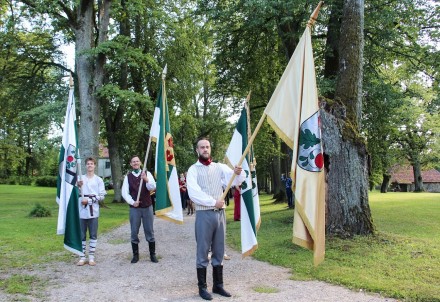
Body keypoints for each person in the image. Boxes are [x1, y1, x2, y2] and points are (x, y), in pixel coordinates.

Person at [187, 137, 245, 300]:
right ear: (197, 150)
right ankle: (202, 287)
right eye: (202, 147)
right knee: (203, 250)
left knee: (219, 249)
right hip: (204, 214)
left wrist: (238, 173)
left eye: (207, 146)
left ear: (210, 149)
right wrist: (213, 202)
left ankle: (218, 285)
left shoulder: (219, 167)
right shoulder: (193, 170)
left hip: (220, 215)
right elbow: (193, 193)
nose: (205, 149)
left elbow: (236, 180)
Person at [121, 155, 158, 264]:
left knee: (149, 230)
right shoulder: (128, 177)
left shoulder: (147, 174)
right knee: (134, 231)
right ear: (131, 164)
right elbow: (125, 193)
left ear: (140, 162)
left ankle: (152, 254)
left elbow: (152, 187)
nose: (135, 163)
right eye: (133, 162)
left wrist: (146, 180)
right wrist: (133, 202)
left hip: (147, 207)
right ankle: (135, 255)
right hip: (135, 208)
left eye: (137, 161)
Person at [77, 157, 107, 266]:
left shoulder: (98, 180)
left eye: (91, 164)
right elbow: (73, 193)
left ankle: (91, 257)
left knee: (93, 234)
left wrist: (89, 200)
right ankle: (82, 256)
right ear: (85, 166)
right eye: (88, 164)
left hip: (93, 210)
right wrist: (77, 186)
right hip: (81, 210)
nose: (90, 165)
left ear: (95, 166)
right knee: (81, 234)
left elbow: (102, 195)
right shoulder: (80, 178)